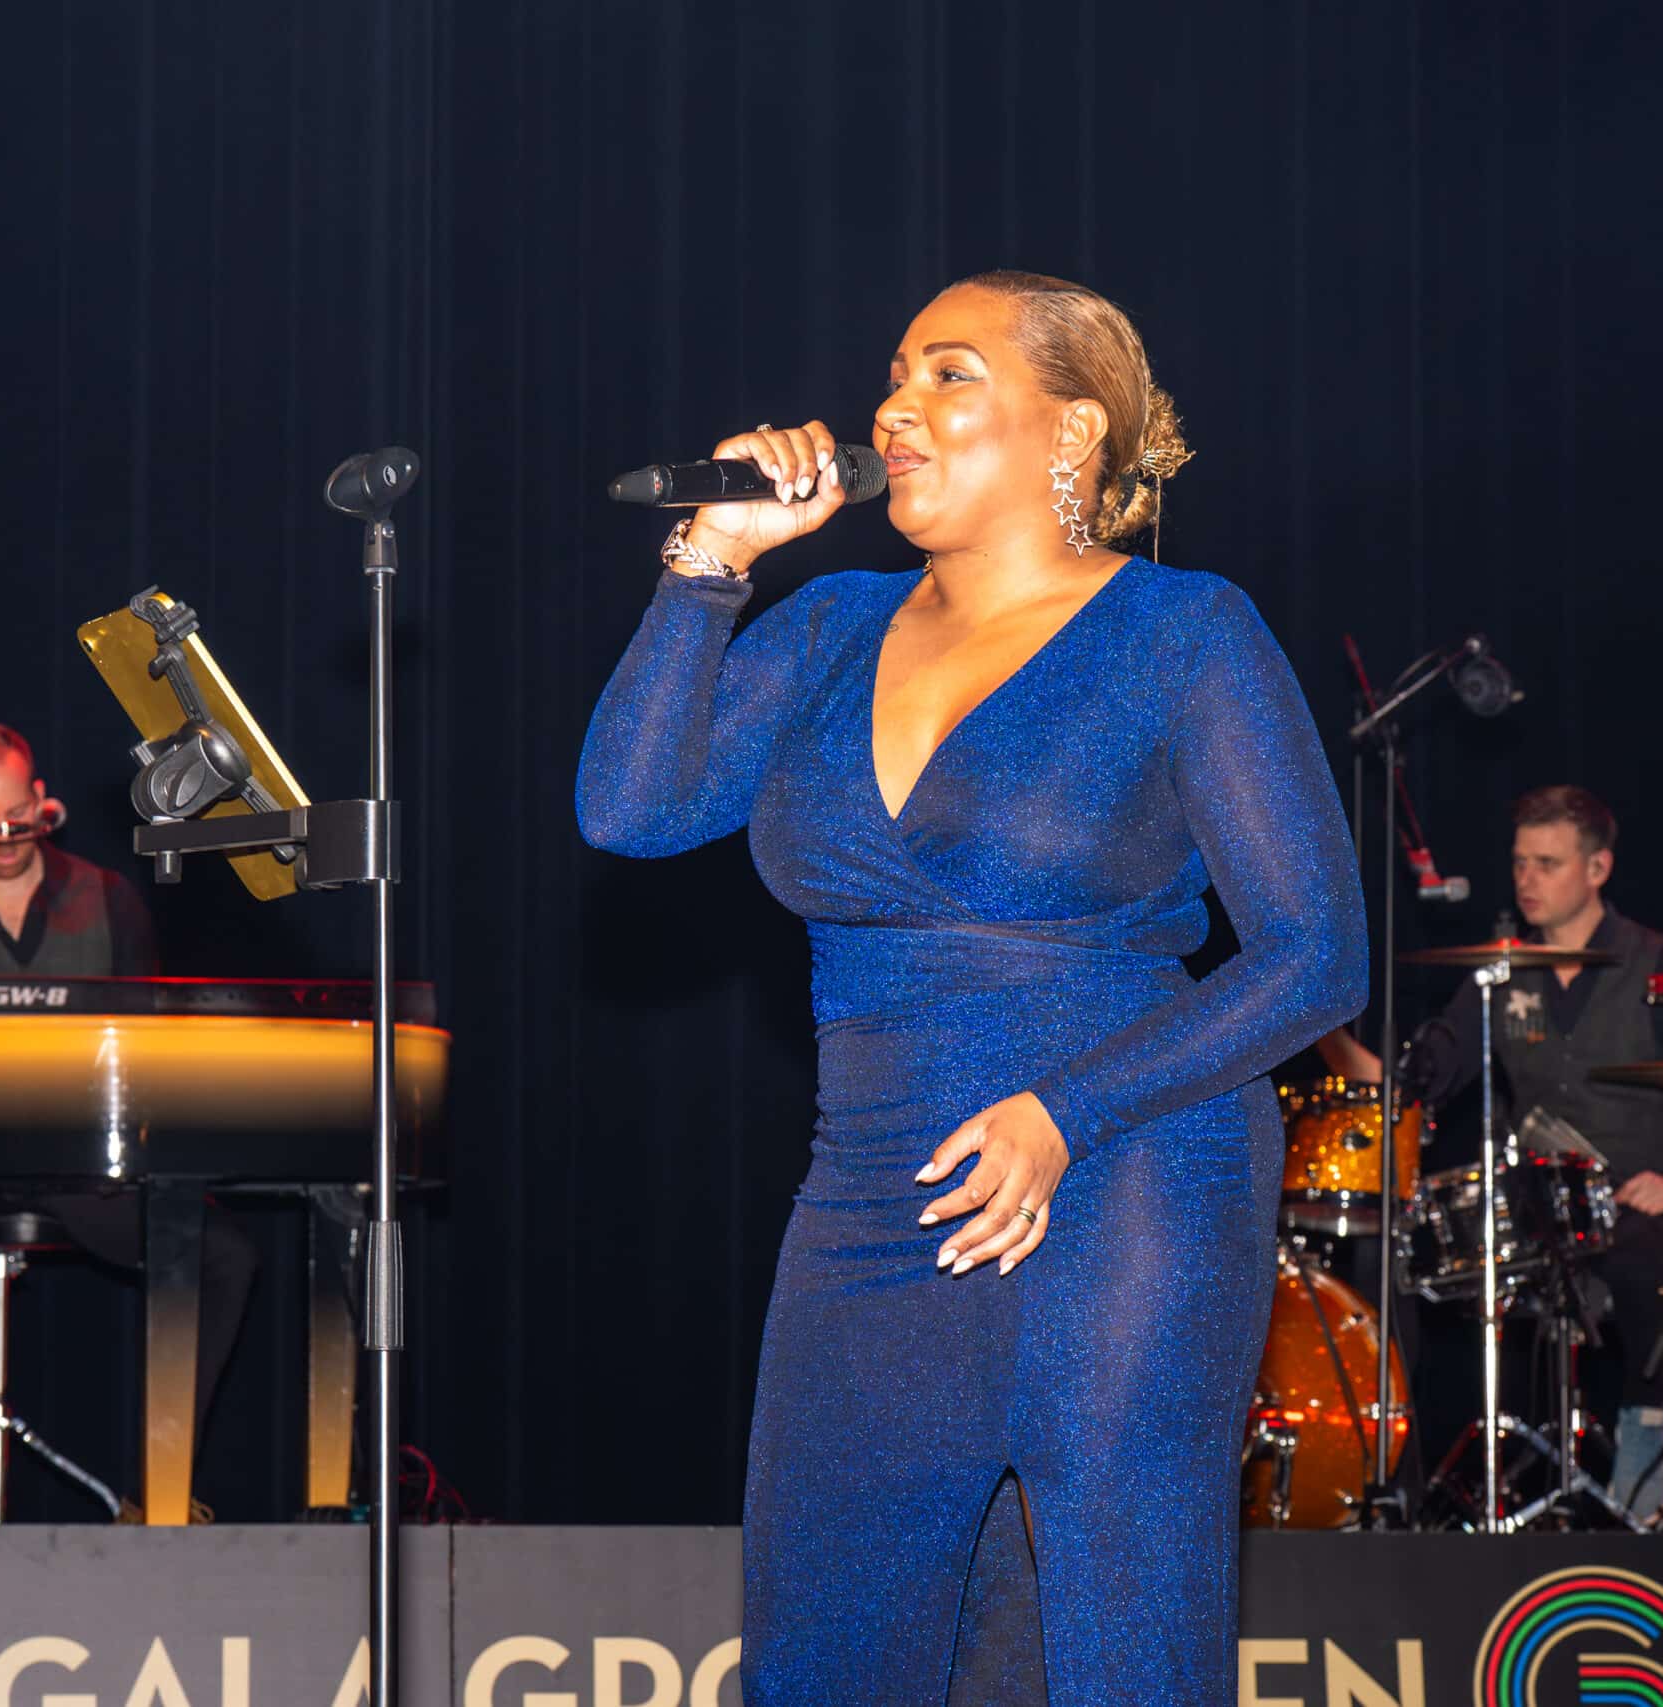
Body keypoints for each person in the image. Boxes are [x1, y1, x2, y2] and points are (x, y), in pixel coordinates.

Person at [577, 273, 1366, 1703]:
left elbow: (1317, 956)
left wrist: (1066, 1111)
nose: (895, 407)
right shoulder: (827, 628)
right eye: (894, 373)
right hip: (879, 1184)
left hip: (1127, 1169)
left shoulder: (1183, 629)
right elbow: (631, 811)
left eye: (948, 374)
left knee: (1112, 1651)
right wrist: (711, 559)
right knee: (824, 1658)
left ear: (1073, 429)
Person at [0, 721, 258, 1525]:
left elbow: (150, 1051)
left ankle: (160, 1490)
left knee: (224, 1252)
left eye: (17, 812)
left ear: (41, 798)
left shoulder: (109, 898)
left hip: (85, 1171)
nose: (4, 832)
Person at [1318, 783, 1663, 1521]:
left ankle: (1645, 1507)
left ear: (1598, 868)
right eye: (1520, 862)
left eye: (1547, 863)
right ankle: (1399, 1494)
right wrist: (1319, 1023)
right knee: (1389, 1265)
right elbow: (1407, 1088)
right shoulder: (1499, 973)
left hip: (1630, 1206)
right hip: (1530, 1209)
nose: (1527, 879)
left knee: (1660, 1280)